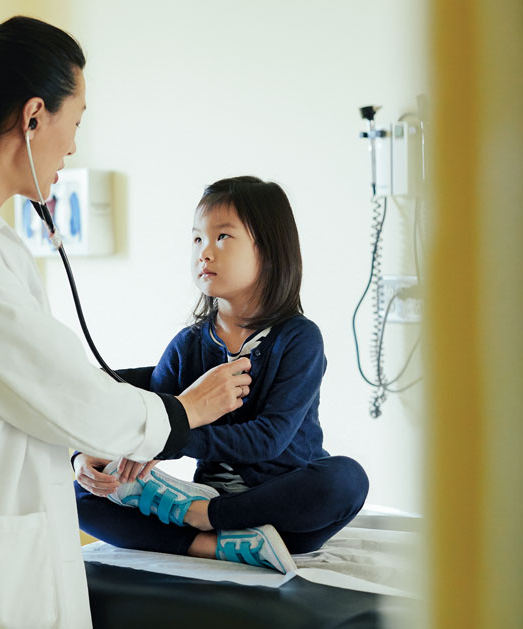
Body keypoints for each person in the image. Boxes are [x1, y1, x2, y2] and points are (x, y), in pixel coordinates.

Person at [0, 17, 252, 628]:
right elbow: (60, 388)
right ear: (34, 116)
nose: (74, 146)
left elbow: (8, 399)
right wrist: (183, 411)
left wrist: (75, 450)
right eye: (76, 121)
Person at [74, 176, 370, 573]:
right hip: (205, 494)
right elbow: (156, 418)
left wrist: (199, 498)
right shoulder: (188, 344)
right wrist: (90, 455)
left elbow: (270, 439)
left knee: (346, 479)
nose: (204, 253)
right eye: (197, 240)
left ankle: (202, 521)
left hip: (281, 510)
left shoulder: (299, 339)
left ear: (267, 249)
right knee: (79, 495)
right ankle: (210, 546)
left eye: (222, 238)